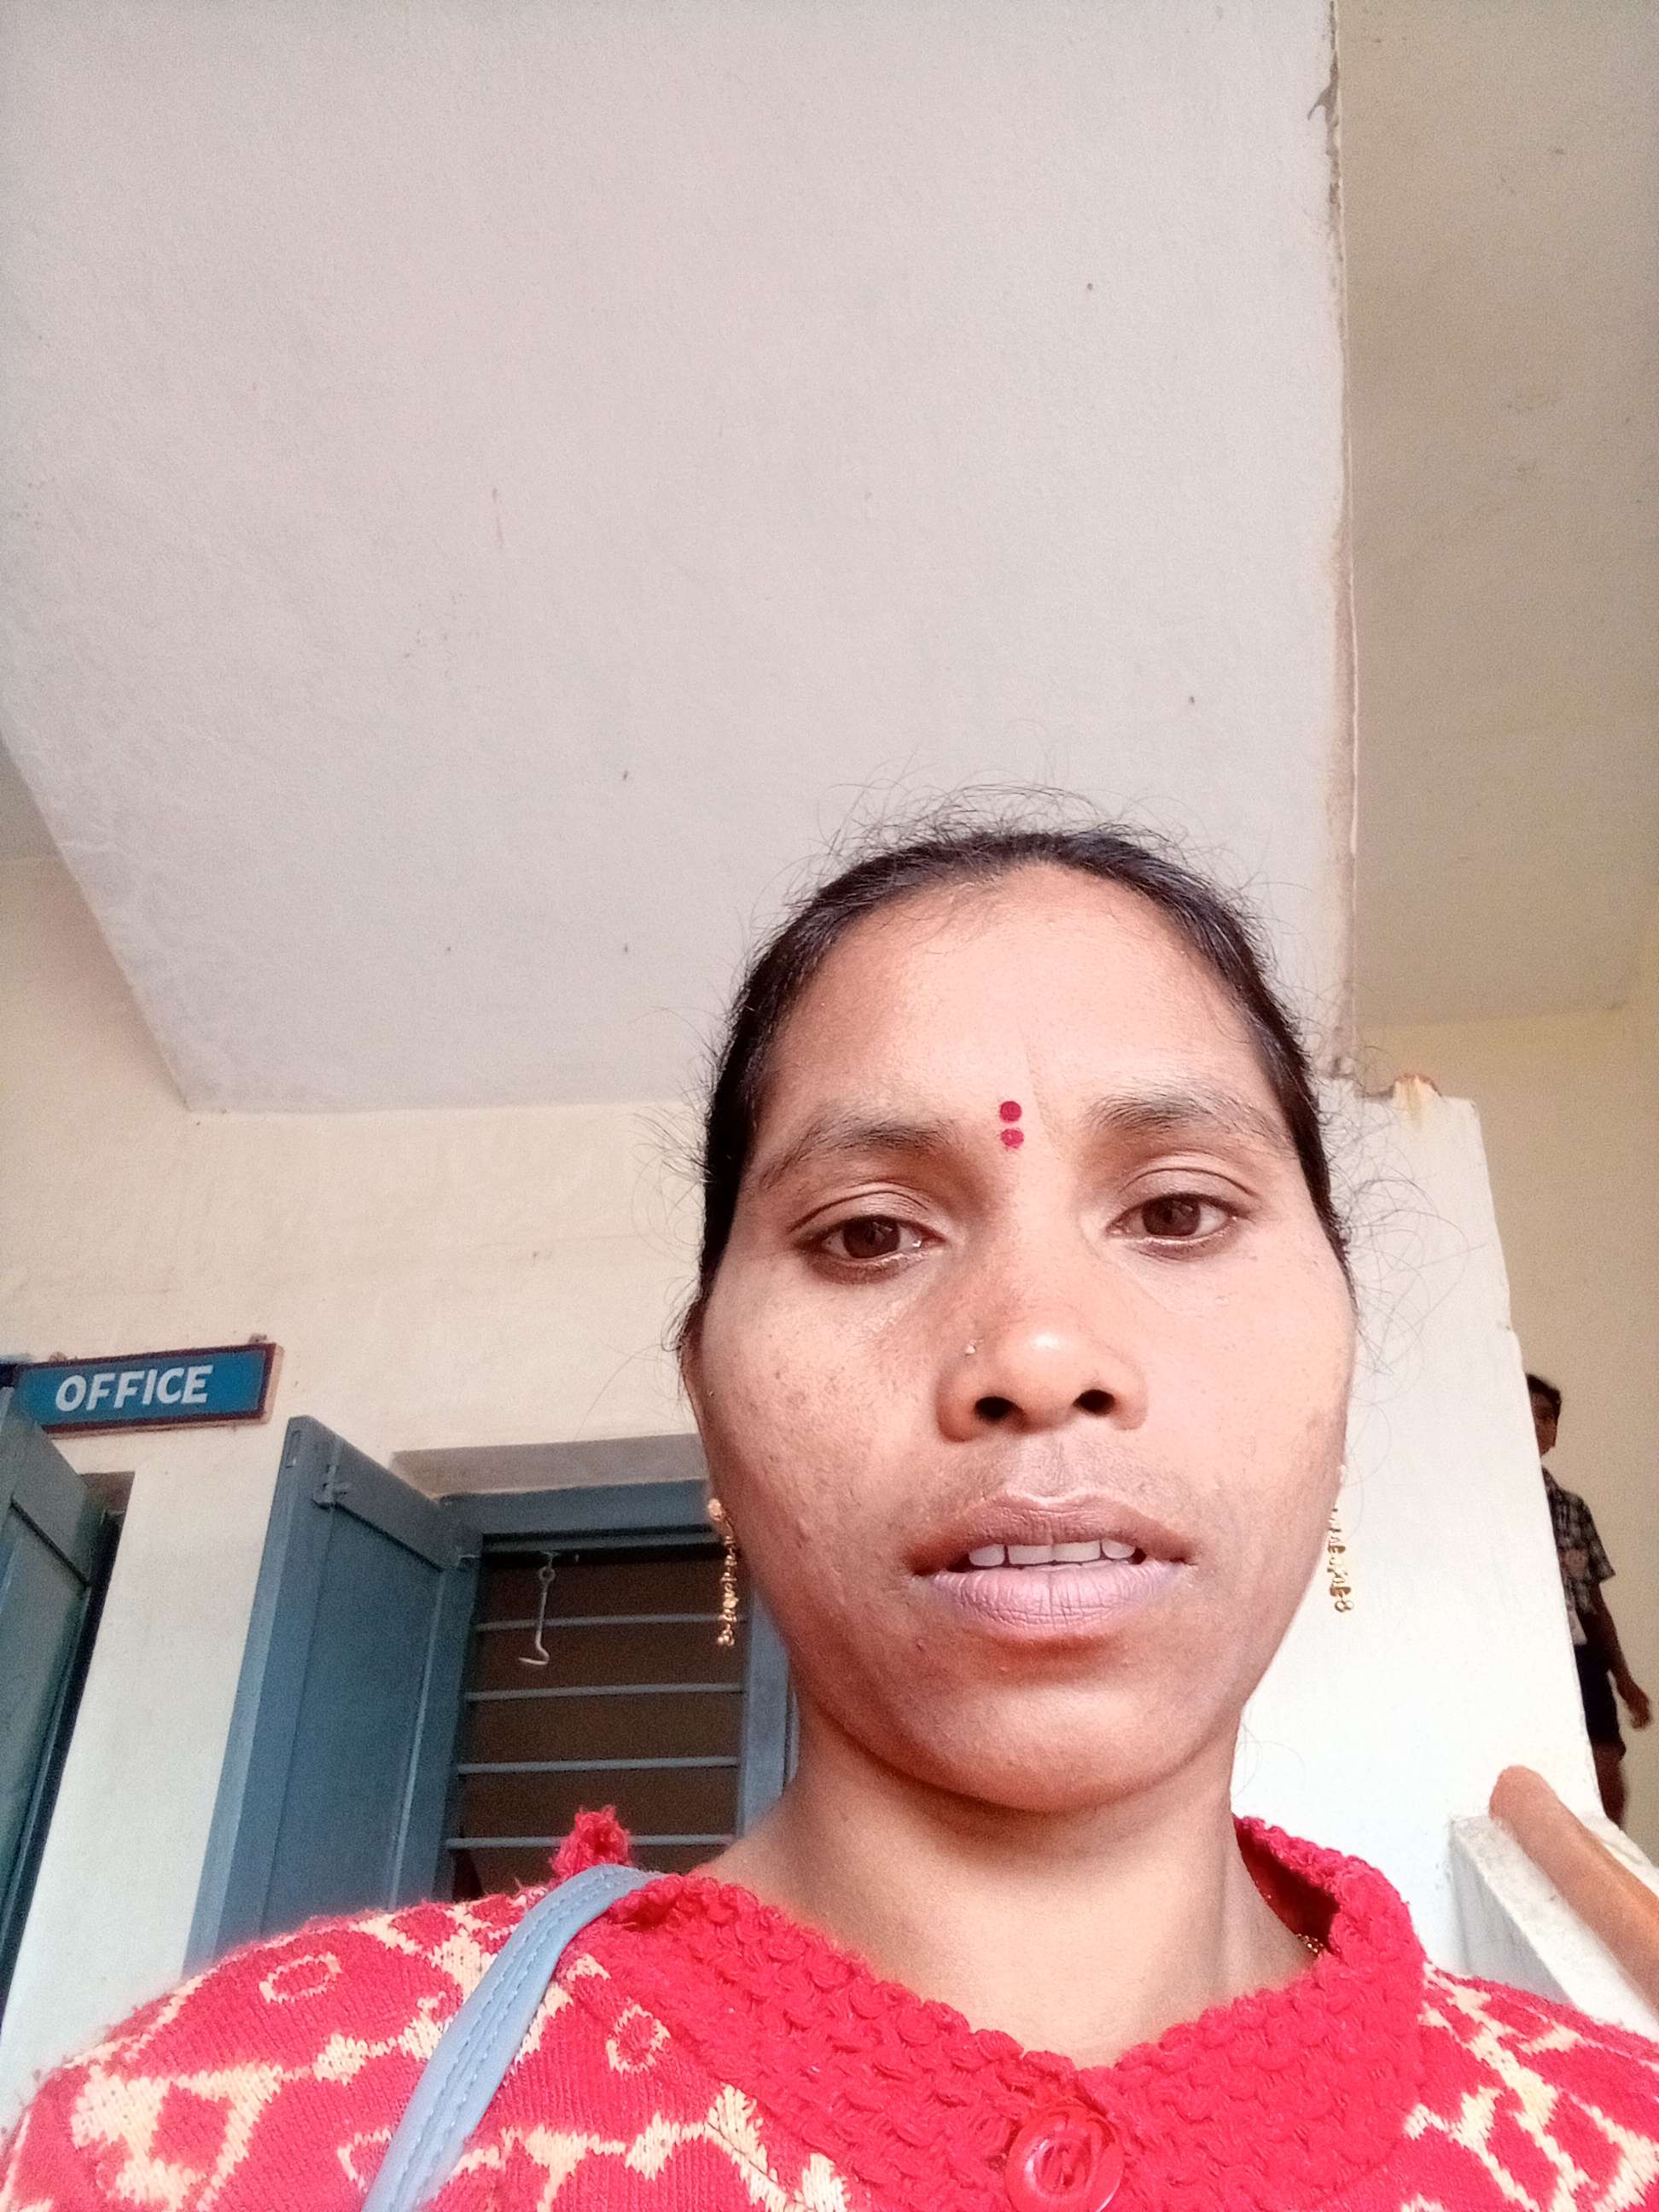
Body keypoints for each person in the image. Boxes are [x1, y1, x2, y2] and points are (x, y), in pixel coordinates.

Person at [8, 812, 1659, 2210]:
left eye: (1173, 1210)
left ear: (1342, 1357)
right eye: (869, 1232)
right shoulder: (218, 2131)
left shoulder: (1611, 2144)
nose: (1036, 1353)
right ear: (709, 1405)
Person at [1529, 1370, 1651, 1826]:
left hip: (1581, 1658)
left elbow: (1594, 1602)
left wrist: (1624, 1679)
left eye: (1546, 1416)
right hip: (1522, 1659)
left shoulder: (1573, 1509)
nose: (1536, 1424)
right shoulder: (1486, 1503)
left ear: (1554, 1433)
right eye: (1524, 1413)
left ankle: (1608, 1869)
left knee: (1607, 1787)